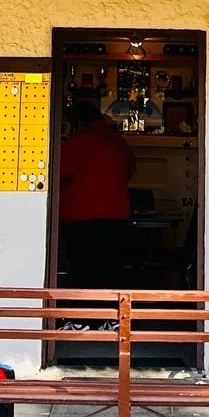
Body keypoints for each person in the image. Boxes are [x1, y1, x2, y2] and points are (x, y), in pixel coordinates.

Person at [57, 98, 135, 290]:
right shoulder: (118, 141)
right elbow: (130, 169)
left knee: (84, 270)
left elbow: (56, 172)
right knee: (110, 269)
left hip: (82, 216)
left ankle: (87, 317)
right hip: (117, 215)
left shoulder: (80, 141)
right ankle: (110, 316)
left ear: (77, 123)